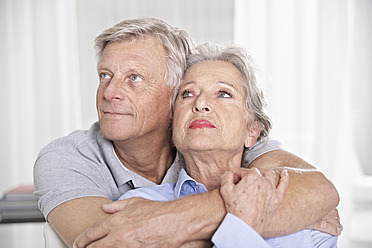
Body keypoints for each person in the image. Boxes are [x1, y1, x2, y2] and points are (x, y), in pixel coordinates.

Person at [33, 18, 341, 248]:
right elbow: (112, 241)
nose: (109, 92)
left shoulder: (235, 142)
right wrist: (260, 213)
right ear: (179, 104)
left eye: (135, 77)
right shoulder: (127, 196)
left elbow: (319, 190)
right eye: (104, 75)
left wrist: (167, 223)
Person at [116, 42, 338, 247]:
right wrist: (242, 225)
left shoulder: (307, 216)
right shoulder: (138, 207)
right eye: (188, 94)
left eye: (223, 93)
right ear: (173, 124)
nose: (201, 103)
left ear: (252, 131)